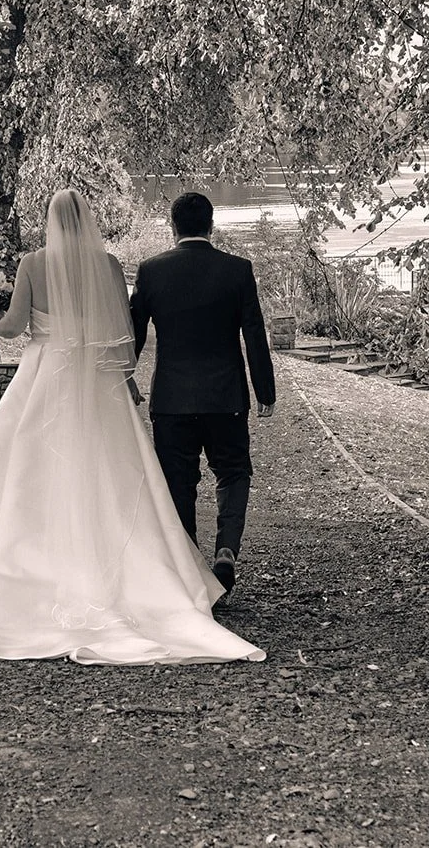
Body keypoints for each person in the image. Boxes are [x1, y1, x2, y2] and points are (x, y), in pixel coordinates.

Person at [0, 189, 264, 666]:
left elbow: (13, 327)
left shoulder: (33, 264)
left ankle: (38, 573)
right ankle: (159, 571)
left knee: (29, 470)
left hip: (45, 377)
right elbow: (123, 334)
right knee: (112, 472)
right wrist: (125, 378)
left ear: (49, 221)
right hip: (98, 380)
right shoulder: (110, 266)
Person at [130, 192, 276, 598]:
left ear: (172, 225)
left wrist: (123, 377)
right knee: (233, 471)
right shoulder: (237, 270)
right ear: (211, 226)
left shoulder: (151, 271)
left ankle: (190, 561)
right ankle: (226, 549)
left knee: (178, 481)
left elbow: (133, 333)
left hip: (172, 399)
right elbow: (254, 334)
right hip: (225, 397)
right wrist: (265, 390)